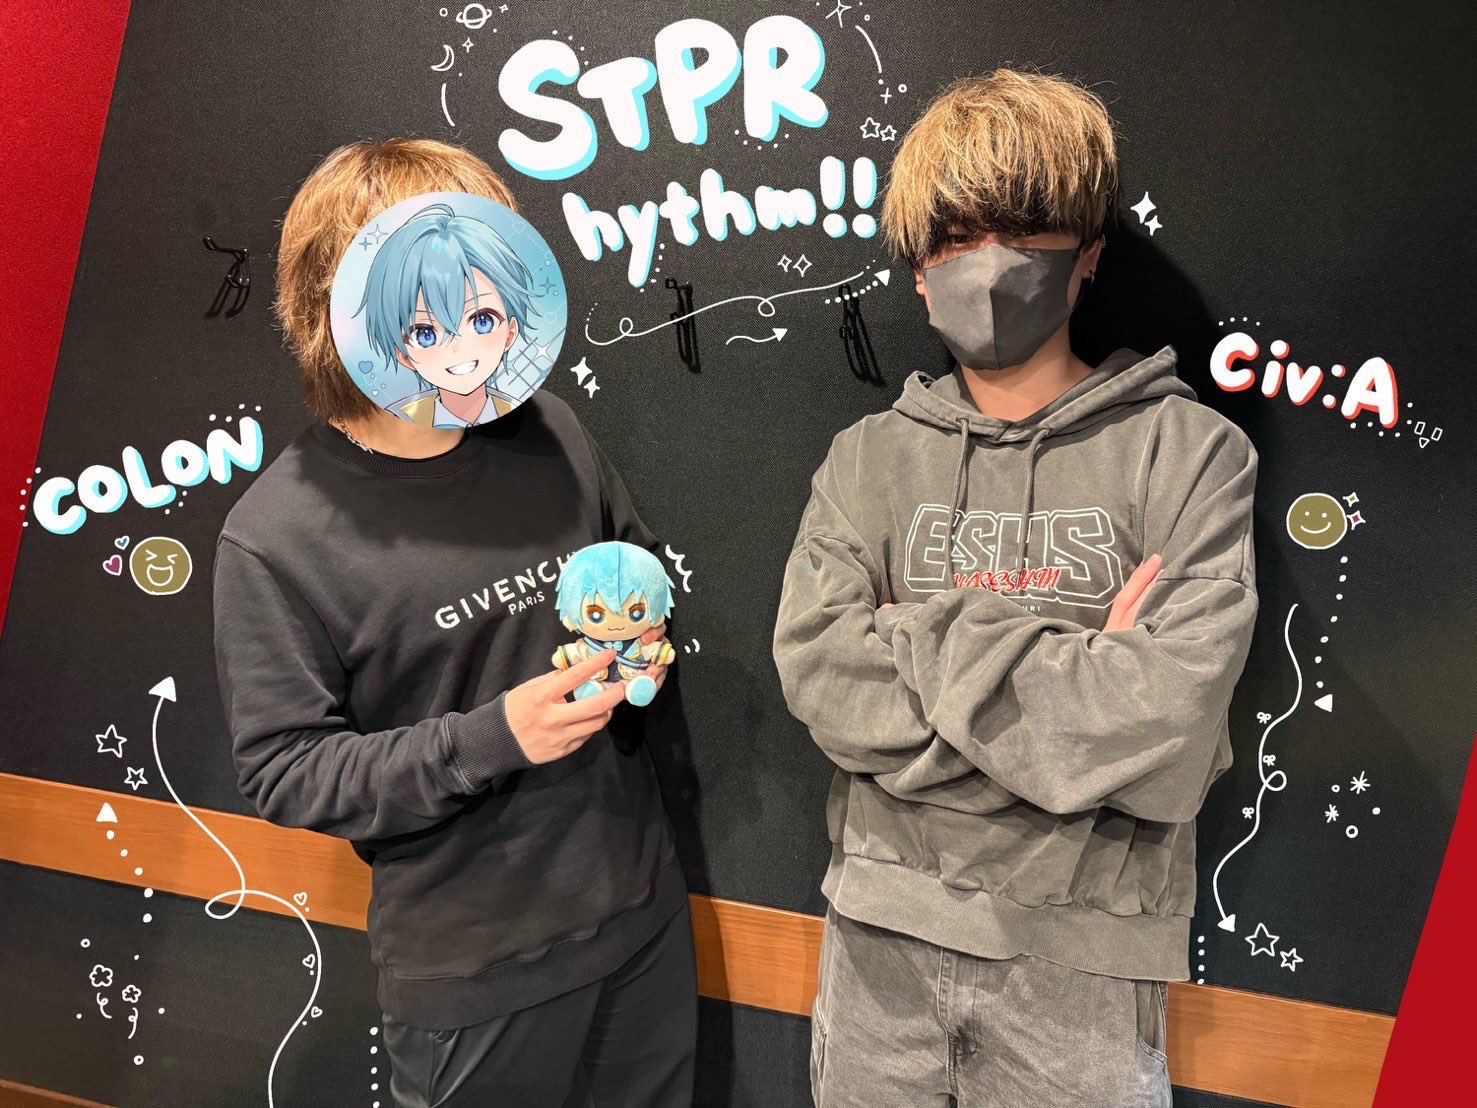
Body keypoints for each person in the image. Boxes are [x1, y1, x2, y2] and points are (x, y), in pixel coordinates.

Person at [773, 68, 1259, 1107]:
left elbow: (1167, 719)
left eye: (1021, 229)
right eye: (955, 236)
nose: (986, 262)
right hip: (876, 946)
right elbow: (821, 676)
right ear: (917, 269)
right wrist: (1078, 685)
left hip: (1083, 966)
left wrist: (915, 637)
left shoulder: (1190, 455)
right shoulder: (864, 460)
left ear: (1086, 253)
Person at [211, 138, 696, 1107]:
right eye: (427, 314)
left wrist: (643, 639)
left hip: (641, 915)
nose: (469, 343)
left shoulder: (548, 429)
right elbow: (286, 770)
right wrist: (492, 737)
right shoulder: (275, 537)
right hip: (474, 976)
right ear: (344, 313)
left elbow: (635, 565)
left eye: (484, 304)